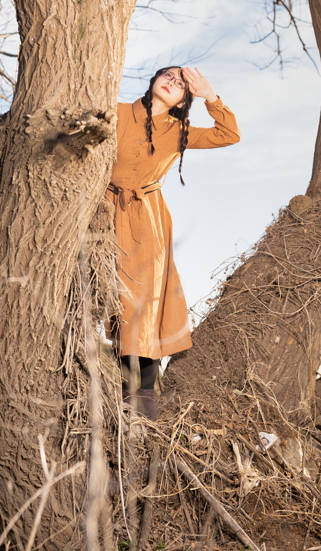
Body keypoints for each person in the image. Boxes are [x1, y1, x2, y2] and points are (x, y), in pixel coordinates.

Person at [105, 65, 240, 421]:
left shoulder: (179, 130)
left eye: (181, 84)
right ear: (153, 81)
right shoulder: (115, 110)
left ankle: (140, 393)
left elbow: (229, 134)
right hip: (100, 212)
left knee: (143, 304)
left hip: (146, 220)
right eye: (168, 76)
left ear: (184, 99)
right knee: (105, 299)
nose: (172, 82)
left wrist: (210, 94)